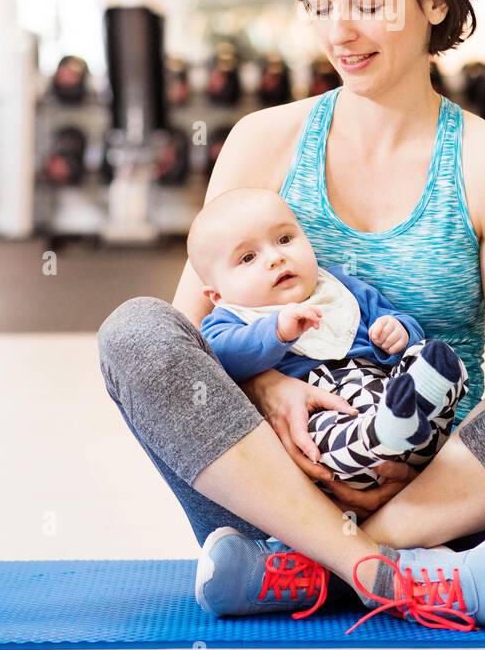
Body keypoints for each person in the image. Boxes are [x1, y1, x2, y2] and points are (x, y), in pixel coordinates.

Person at [97, 0, 485, 631]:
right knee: (136, 330)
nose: (340, 31)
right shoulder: (264, 141)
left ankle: (325, 568)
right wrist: (269, 393)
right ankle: (379, 574)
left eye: (369, 3)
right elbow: (187, 341)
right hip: (271, 496)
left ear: (435, 3)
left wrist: (408, 466)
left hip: (433, 501)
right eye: (321, 5)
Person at [189, 186, 469, 490]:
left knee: (429, 355)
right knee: (319, 438)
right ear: (216, 295)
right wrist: (276, 331)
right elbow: (219, 358)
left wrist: (398, 332)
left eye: (284, 239)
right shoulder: (227, 319)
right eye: (247, 258)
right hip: (329, 422)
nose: (275, 258)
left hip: (390, 396)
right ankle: (384, 432)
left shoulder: (340, 287)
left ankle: (411, 411)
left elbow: (396, 320)